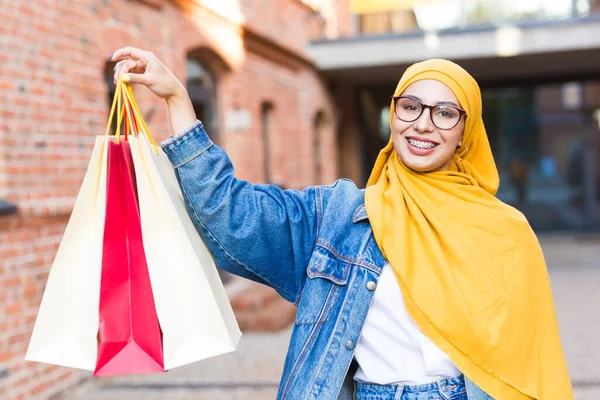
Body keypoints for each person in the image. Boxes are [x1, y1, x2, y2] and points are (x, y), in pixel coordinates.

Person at [110, 47, 573, 400]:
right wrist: (178, 101)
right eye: (410, 106)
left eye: (445, 112)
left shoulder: (505, 232)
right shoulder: (339, 215)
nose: (423, 124)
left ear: (465, 133)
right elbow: (233, 216)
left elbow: (530, 363)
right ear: (393, 115)